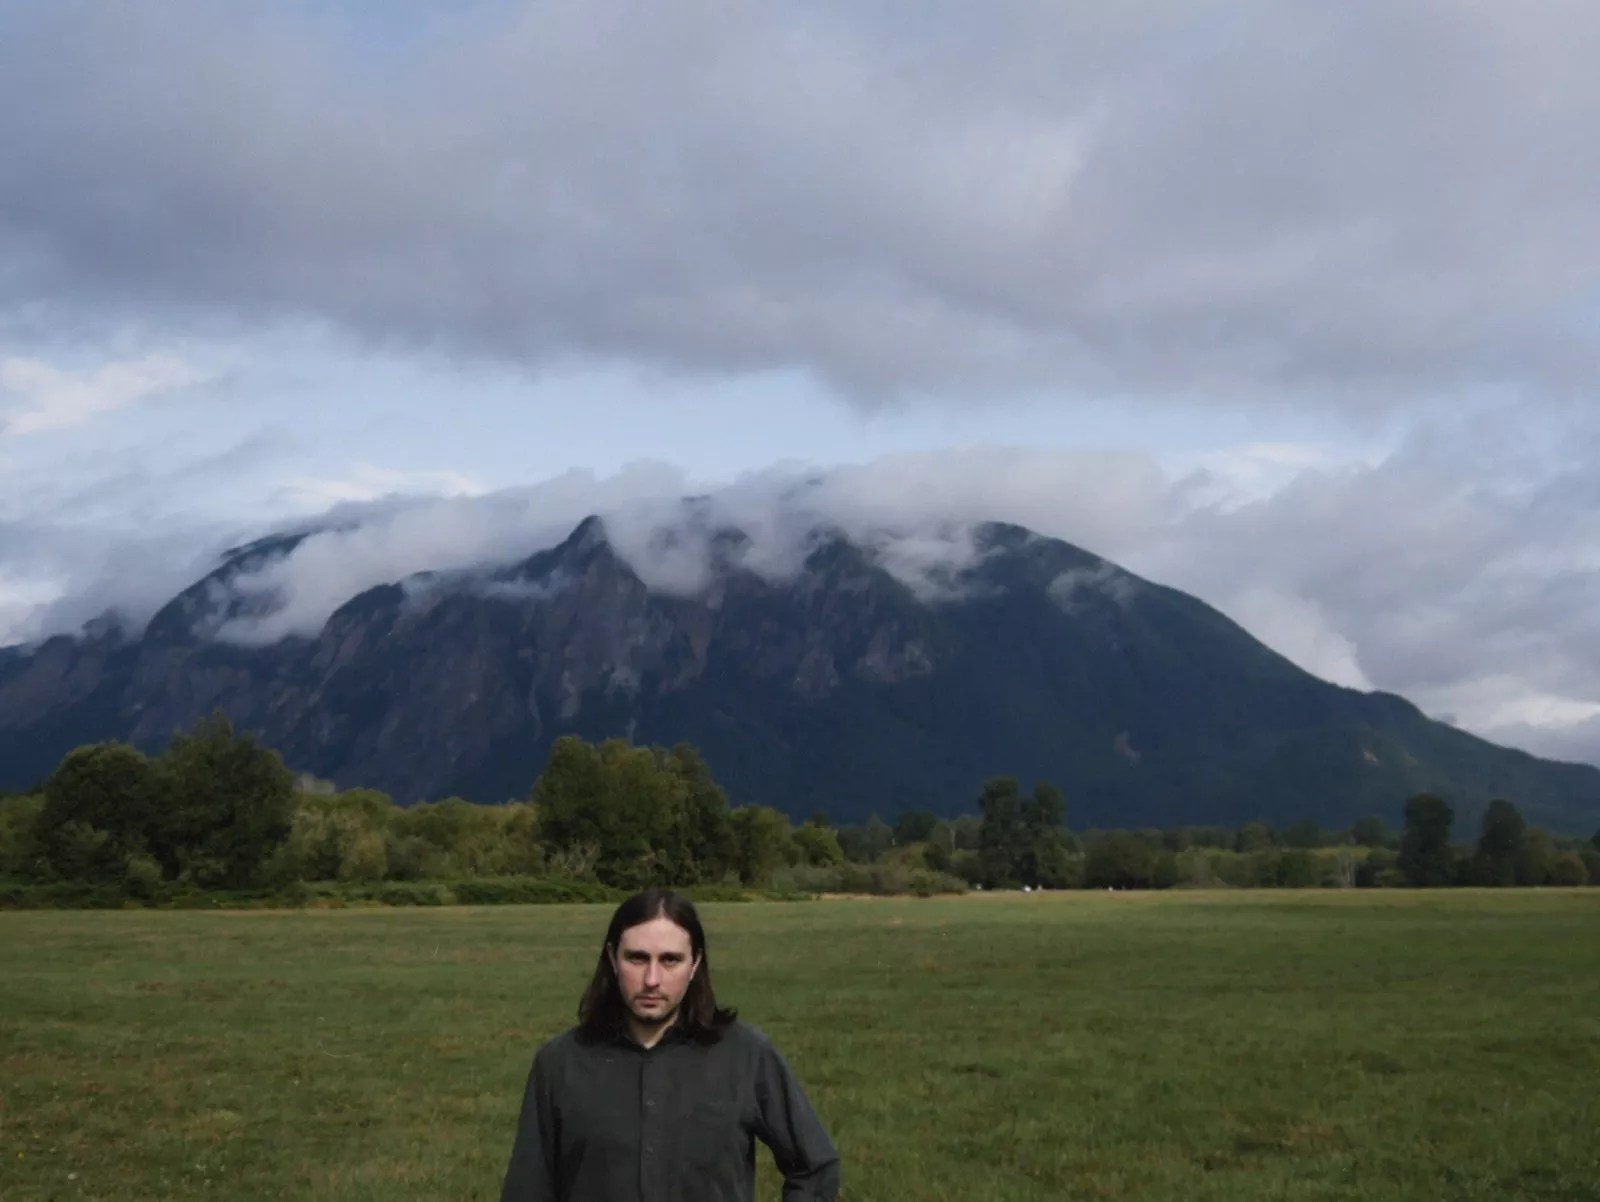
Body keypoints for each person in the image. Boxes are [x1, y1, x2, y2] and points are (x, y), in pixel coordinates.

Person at [500, 887, 841, 1202]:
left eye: (670, 960)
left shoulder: (746, 1055)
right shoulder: (560, 1064)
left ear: (694, 964)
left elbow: (814, 1166)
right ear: (612, 959)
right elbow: (527, 1189)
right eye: (636, 958)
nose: (652, 980)